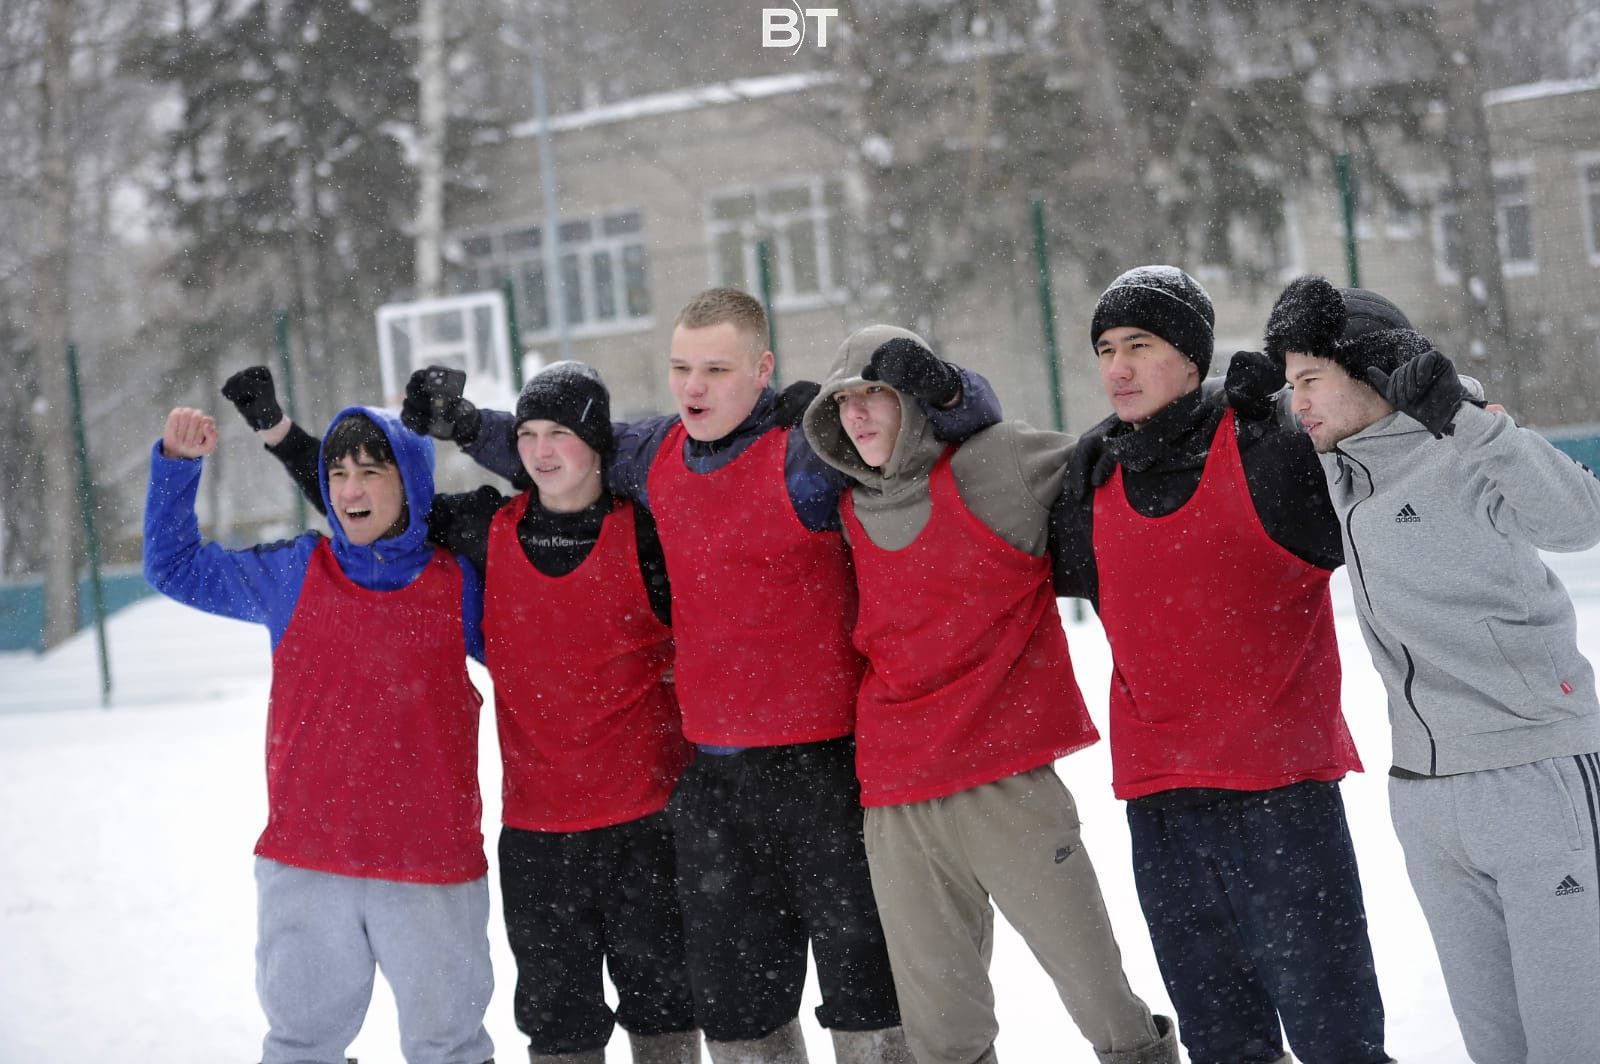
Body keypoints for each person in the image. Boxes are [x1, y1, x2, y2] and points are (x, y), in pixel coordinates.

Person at [401, 288, 1002, 1064]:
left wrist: (942, 384)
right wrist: (466, 425)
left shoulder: (804, 453)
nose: (693, 387)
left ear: (763, 370)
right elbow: (571, 449)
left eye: (717, 369)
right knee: (740, 1016)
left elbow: (956, 432)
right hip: (714, 785)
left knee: (871, 998)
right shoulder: (656, 454)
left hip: (828, 774)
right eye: (682, 367)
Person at [222, 362, 703, 1064]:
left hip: (647, 819)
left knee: (664, 1013)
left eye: (561, 433)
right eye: (529, 433)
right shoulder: (483, 531)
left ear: (599, 441)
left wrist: (474, 426)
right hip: (539, 835)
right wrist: (282, 434)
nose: (540, 450)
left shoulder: (650, 535)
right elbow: (376, 505)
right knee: (560, 1030)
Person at [800, 326, 1179, 1064]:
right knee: (945, 1034)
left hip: (1007, 787)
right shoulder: (842, 509)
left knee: (1104, 1002)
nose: (859, 414)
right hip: (898, 800)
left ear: (916, 399)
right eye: (845, 401)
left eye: (877, 392)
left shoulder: (994, 464)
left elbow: (1115, 461)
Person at [1048, 266, 1391, 1064]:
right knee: (1224, 1045)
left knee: (1338, 1040)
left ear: (1195, 359)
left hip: (1282, 799)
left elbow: (1384, 421)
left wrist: (1297, 395)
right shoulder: (1092, 480)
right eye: (1105, 349)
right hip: (1162, 809)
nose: (1118, 368)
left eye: (1141, 345)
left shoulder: (1271, 450)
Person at [1255, 274, 1600, 1064]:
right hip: (1426, 798)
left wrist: (1471, 421)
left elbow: (1581, 520)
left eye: (1310, 381)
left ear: (1370, 373)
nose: (1296, 401)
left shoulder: (1465, 444)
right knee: (1495, 1046)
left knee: (1572, 1041)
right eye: (1289, 385)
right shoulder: (1338, 466)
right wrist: (1235, 407)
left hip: (1533, 775)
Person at [142, 404, 495, 1064]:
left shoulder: (458, 586)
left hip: (431, 869)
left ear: (411, 480)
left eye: (370, 471)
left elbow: (552, 664)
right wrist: (178, 468)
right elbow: (176, 568)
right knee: (301, 1046)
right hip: (307, 864)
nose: (351, 489)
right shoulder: (296, 571)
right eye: (337, 473)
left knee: (450, 1048)